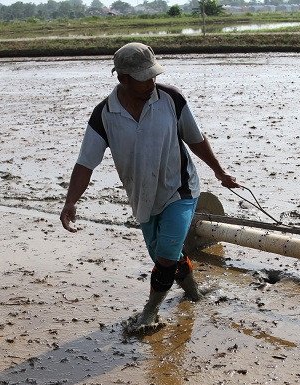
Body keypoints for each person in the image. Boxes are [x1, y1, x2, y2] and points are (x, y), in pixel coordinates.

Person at [60, 42, 240, 331]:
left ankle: (150, 311)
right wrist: (71, 202)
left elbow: (195, 139)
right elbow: (85, 164)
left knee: (166, 255)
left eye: (153, 75)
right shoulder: (104, 115)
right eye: (144, 78)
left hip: (180, 189)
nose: (152, 82)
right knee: (164, 255)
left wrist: (219, 172)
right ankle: (194, 293)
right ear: (123, 78)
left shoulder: (171, 99)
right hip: (142, 196)